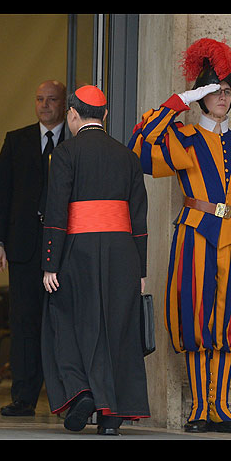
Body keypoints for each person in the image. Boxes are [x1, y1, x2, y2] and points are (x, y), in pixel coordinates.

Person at [128, 38, 231, 434]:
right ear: (202, 98)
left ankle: (221, 409)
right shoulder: (185, 138)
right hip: (196, 236)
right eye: (214, 92)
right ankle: (200, 408)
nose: (222, 98)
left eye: (226, 92)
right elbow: (141, 146)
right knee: (197, 321)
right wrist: (180, 99)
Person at [41, 85, 150, 435]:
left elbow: (56, 213)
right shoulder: (128, 156)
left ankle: (81, 391)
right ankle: (112, 418)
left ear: (72, 115)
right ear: (104, 116)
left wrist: (49, 263)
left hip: (77, 249)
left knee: (68, 320)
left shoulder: (65, 153)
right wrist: (142, 269)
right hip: (122, 254)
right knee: (116, 328)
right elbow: (139, 218)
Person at [0, 80, 66, 416]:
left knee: (63, 323)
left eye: (52, 99)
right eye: (40, 99)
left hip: (63, 250)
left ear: (64, 104)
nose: (45, 105)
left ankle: (66, 396)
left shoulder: (75, 141)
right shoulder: (16, 140)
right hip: (22, 248)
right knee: (23, 323)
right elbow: (0, 195)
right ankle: (24, 397)